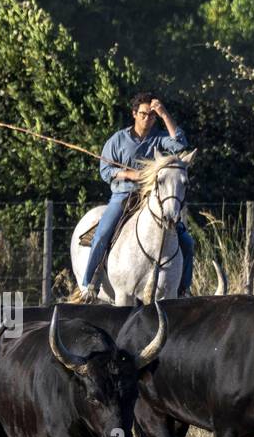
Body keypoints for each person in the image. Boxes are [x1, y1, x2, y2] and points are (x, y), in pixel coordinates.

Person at [81, 92, 194, 295]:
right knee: (102, 234)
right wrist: (130, 174)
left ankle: (184, 289)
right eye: (143, 114)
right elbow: (105, 171)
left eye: (151, 115)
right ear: (134, 114)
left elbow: (180, 145)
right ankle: (89, 283)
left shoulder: (159, 139)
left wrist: (164, 113)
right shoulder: (118, 140)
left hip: (152, 198)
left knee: (186, 241)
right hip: (123, 196)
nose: (147, 119)